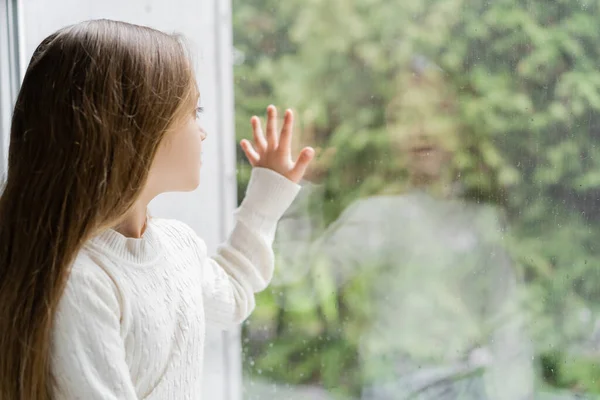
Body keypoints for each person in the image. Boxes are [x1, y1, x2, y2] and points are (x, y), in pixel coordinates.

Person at [0, 19, 314, 400]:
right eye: (193, 111)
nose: (203, 131)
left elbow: (232, 293)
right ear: (134, 131)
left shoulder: (177, 244)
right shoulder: (80, 284)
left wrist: (266, 196)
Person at [272, 64, 534, 399]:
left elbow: (510, 332)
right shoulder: (376, 218)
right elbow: (302, 294)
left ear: (461, 127)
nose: (420, 130)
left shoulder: (484, 222)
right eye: (403, 116)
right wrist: (299, 190)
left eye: (436, 112)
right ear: (389, 132)